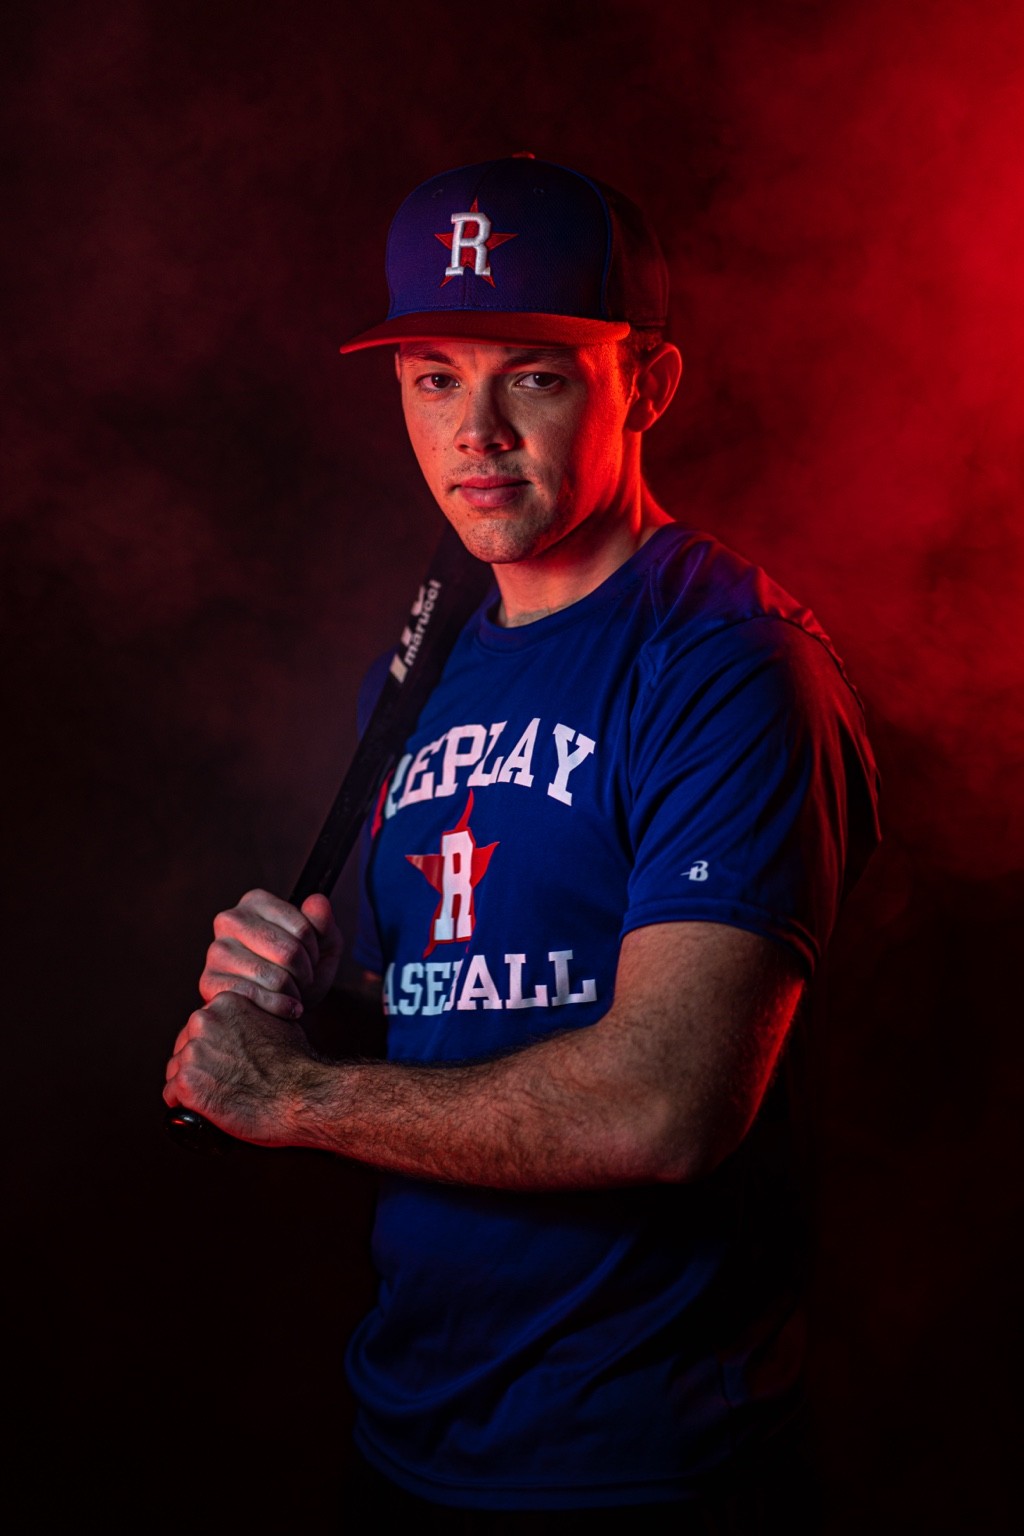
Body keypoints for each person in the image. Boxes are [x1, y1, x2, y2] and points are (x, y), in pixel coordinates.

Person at [164, 155, 880, 1530]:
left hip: (640, 1458)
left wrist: (293, 1097)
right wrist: (322, 1009)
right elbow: (464, 1012)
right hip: (409, 1422)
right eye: (434, 378)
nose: (475, 432)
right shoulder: (419, 668)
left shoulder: (730, 666)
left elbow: (665, 1106)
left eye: (535, 377)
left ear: (646, 384)